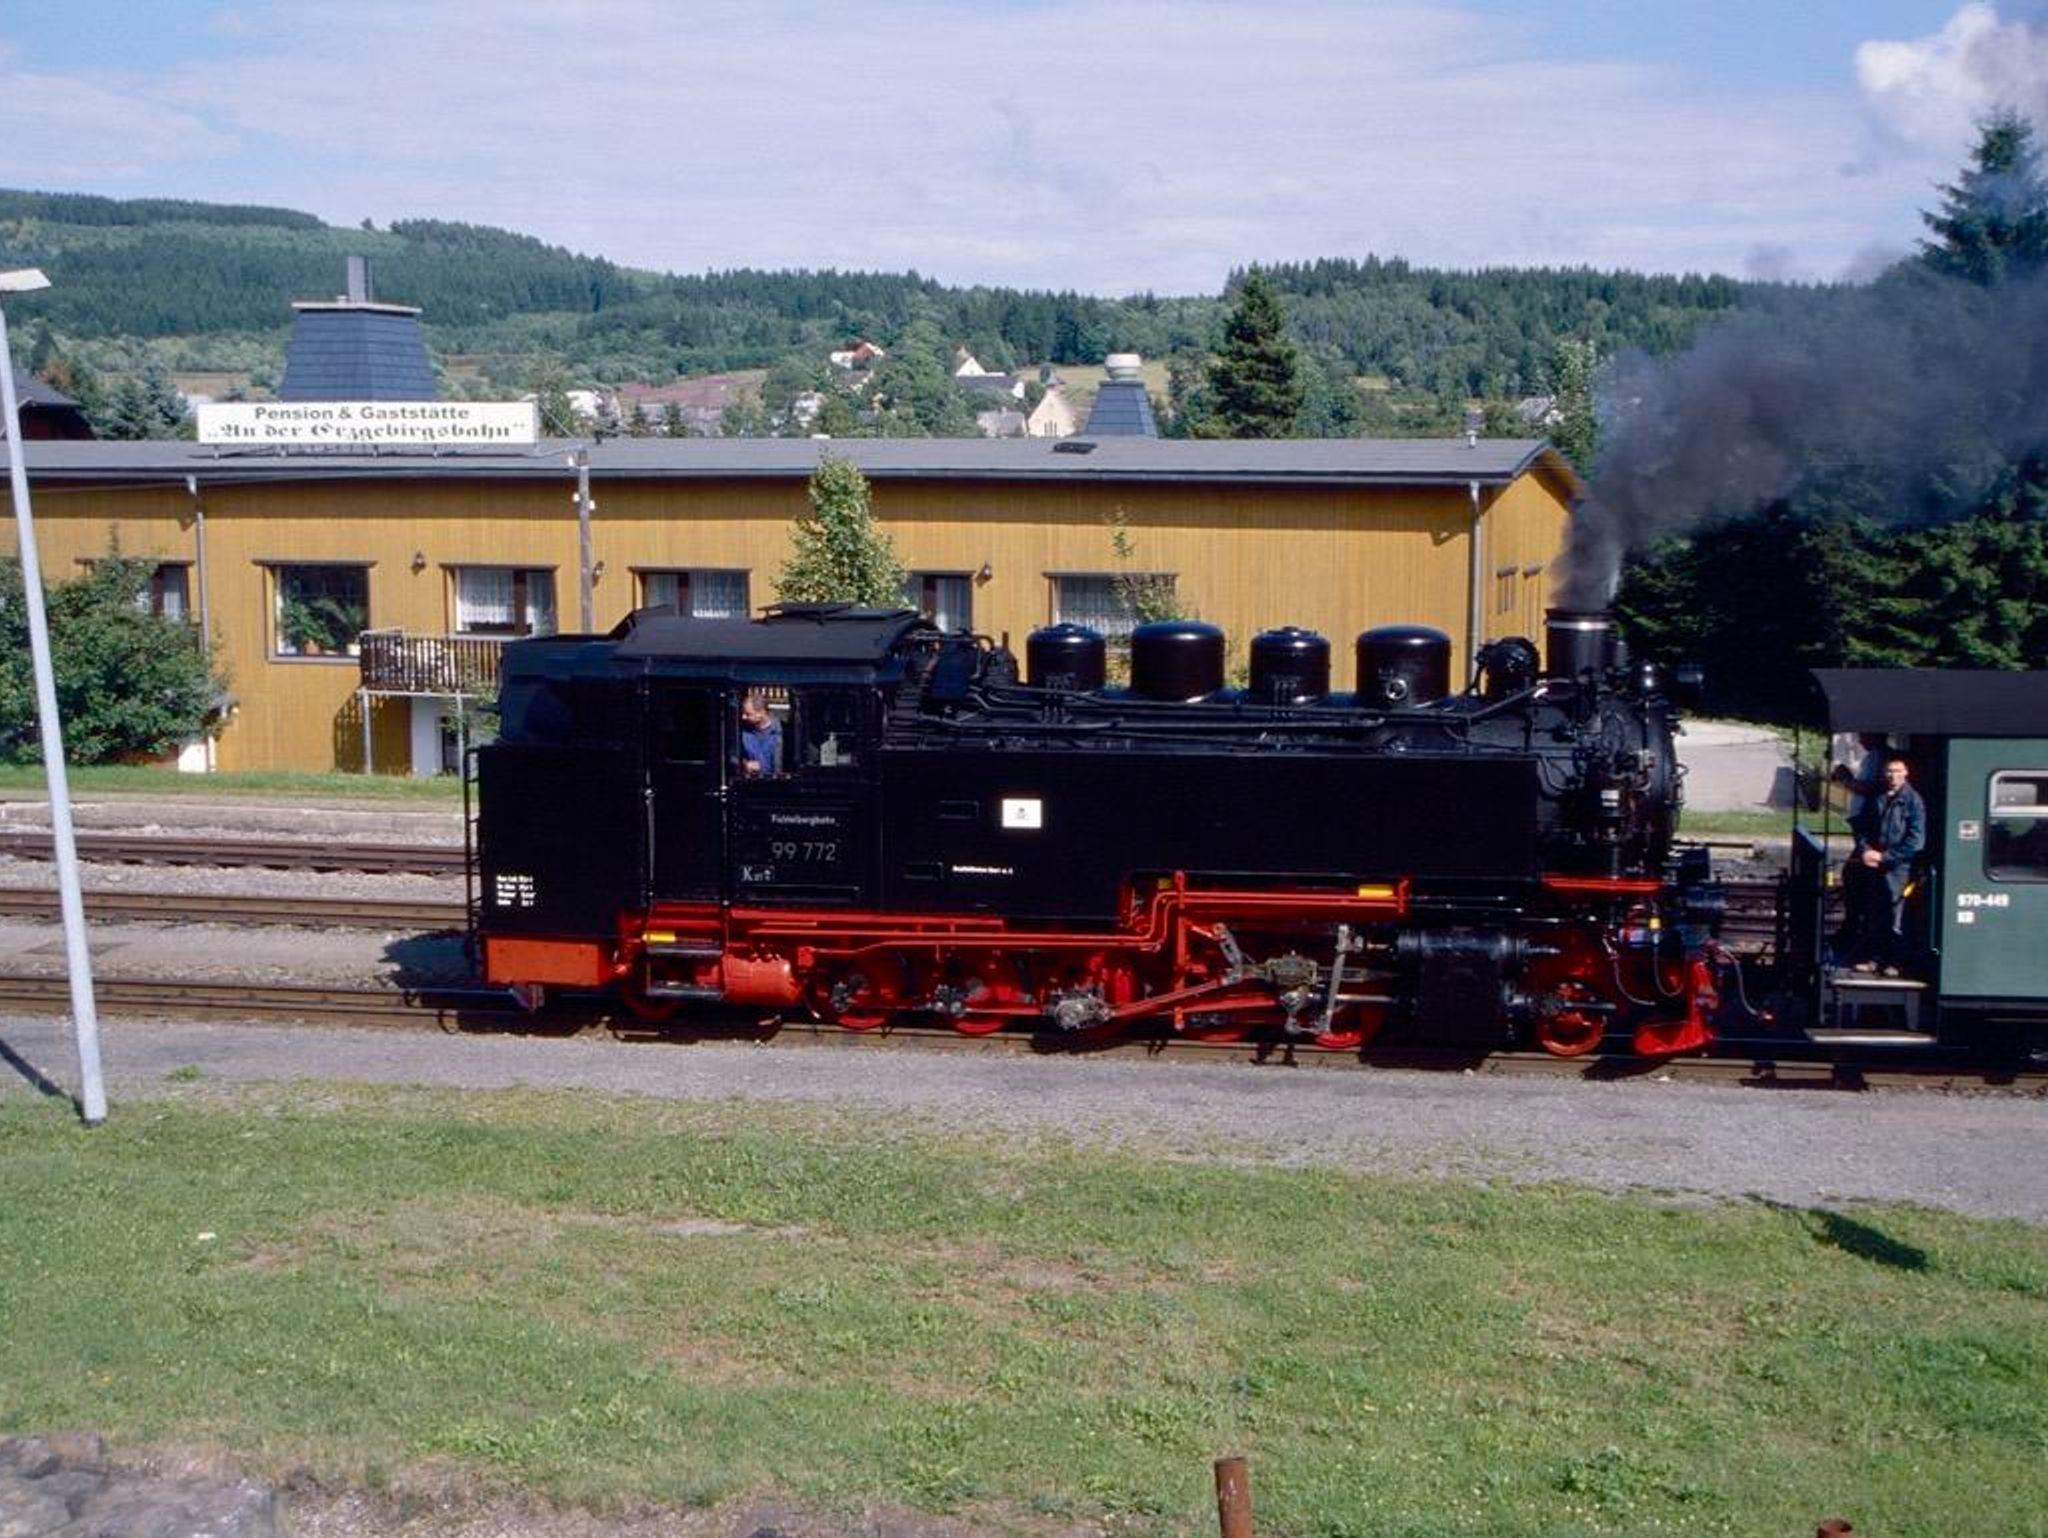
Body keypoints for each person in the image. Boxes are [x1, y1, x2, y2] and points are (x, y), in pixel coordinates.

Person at [1842, 755, 1926, 976]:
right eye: (1889, 771)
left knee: (1895, 915)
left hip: (1898, 868)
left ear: (1906, 773)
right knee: (1873, 912)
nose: (1893, 776)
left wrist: (1886, 857)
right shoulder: (1877, 797)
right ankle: (1873, 958)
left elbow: (1915, 841)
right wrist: (1865, 850)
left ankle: (1895, 962)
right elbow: (1862, 826)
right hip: (1874, 863)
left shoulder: (1913, 801)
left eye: (1897, 771)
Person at [738, 691, 781, 776]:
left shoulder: (781, 733)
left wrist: (762, 767)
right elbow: (735, 757)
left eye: (748, 714)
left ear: (761, 713)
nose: (743, 717)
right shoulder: (743, 732)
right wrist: (744, 764)